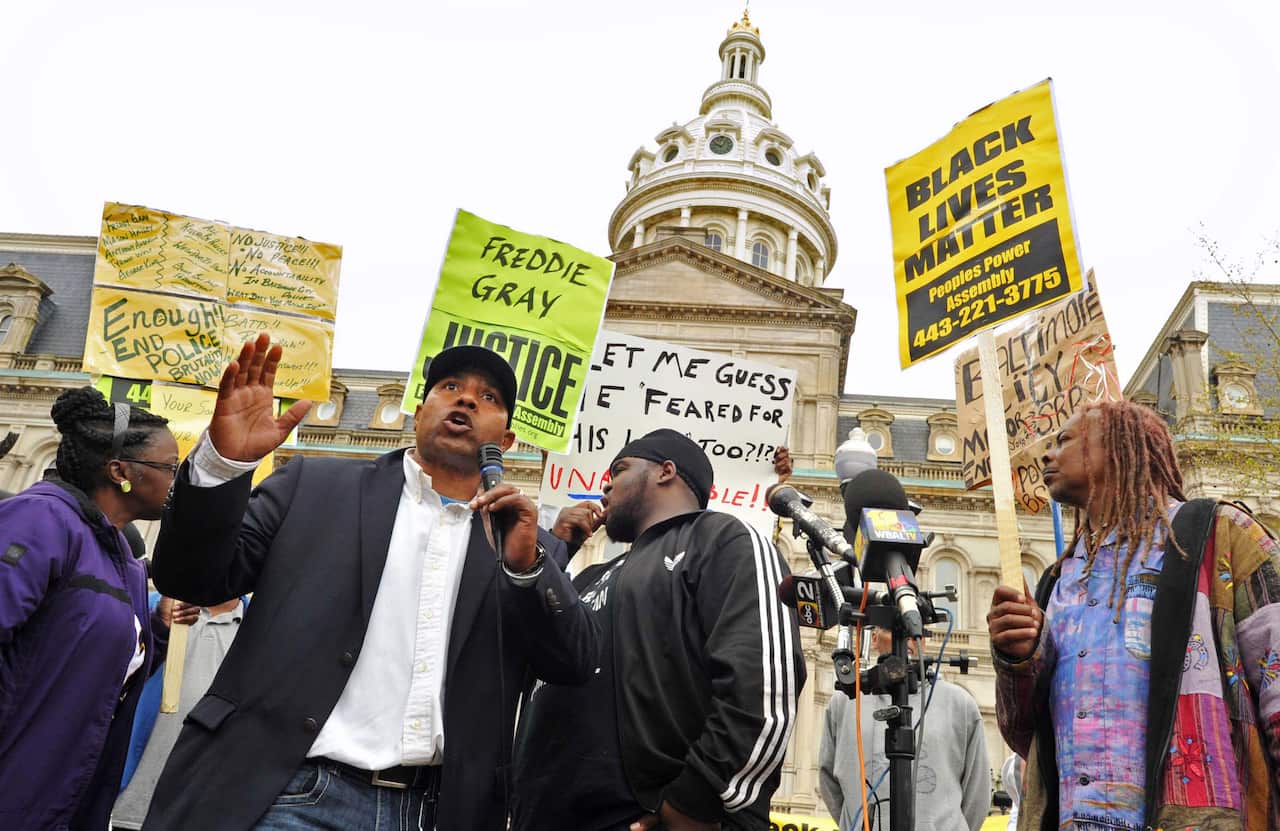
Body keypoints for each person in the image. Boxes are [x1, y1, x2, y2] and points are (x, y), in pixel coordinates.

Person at [143, 336, 598, 831]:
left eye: (489, 398)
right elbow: (192, 578)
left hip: (431, 812)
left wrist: (527, 569)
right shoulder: (313, 487)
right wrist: (222, 466)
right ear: (419, 412)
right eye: (450, 386)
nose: (467, 399)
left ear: (506, 441)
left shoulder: (528, 547)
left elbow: (573, 663)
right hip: (281, 794)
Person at [987, 399, 1280, 830]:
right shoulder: (1058, 579)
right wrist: (1019, 658)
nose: (1047, 455)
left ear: (1122, 448)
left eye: (1065, 441)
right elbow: (1024, 737)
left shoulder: (1219, 534)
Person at [512, 429, 805, 831]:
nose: (605, 483)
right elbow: (524, 657)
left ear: (666, 472)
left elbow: (765, 684)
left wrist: (692, 805)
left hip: (653, 817)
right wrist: (558, 548)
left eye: (620, 469)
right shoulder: (591, 575)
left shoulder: (723, 539)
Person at [0, 386, 178, 830]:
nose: (176, 481)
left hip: (68, 795)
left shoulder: (127, 560)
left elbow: (94, 656)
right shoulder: (38, 520)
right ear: (121, 471)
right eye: (169, 468)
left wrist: (156, 627)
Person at [818, 625, 990, 831]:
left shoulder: (960, 704)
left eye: (914, 633)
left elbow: (977, 792)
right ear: (874, 639)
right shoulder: (844, 703)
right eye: (893, 630)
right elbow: (829, 781)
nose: (907, 640)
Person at [112, 597, 242, 829]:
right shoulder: (147, 605)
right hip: (129, 809)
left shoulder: (258, 628)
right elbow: (109, 682)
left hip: (206, 815)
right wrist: (159, 626)